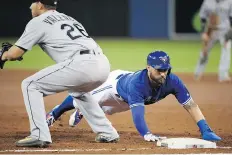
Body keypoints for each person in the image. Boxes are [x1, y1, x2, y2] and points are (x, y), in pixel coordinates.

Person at [0, 0, 119, 147]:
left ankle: (39, 134)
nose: (30, 7)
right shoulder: (68, 18)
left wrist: (4, 55)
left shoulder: (38, 21)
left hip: (81, 63)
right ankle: (107, 132)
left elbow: (14, 54)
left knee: (30, 84)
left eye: (32, 3)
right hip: (102, 63)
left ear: (40, 4)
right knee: (78, 91)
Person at [46, 51, 222, 142]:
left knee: (105, 110)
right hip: (113, 85)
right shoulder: (137, 85)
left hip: (123, 100)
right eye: (159, 70)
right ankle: (55, 113)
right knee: (83, 97)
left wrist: (205, 129)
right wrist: (146, 134)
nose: (163, 74)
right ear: (148, 67)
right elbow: (138, 116)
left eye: (166, 69)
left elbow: (190, 105)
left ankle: (85, 110)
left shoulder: (173, 81)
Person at [194, 0, 232, 82]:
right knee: (204, 52)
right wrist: (204, 32)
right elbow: (203, 17)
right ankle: (198, 72)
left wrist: (229, 35)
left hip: (225, 30)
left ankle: (223, 75)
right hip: (211, 30)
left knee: (226, 50)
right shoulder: (207, 2)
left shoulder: (229, 1)